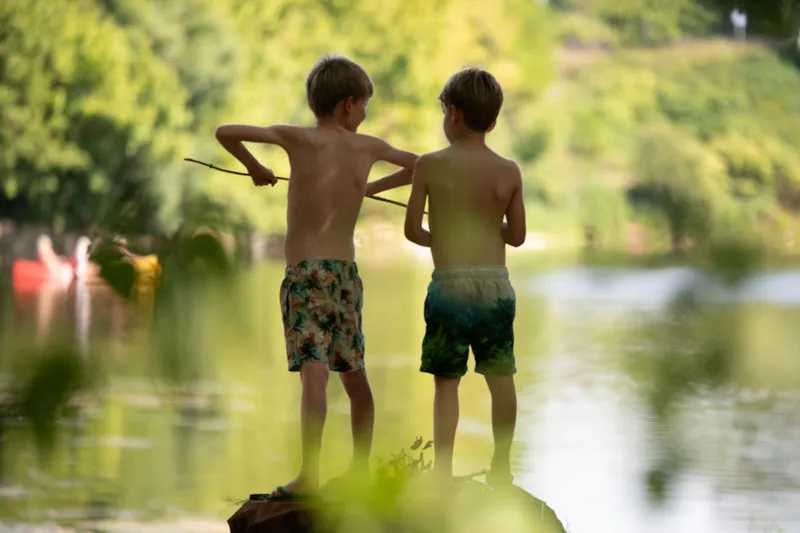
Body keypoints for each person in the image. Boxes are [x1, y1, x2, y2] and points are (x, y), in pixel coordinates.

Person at [215, 54, 418, 500]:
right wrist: (371, 188)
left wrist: (255, 166)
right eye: (364, 104)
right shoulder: (369, 148)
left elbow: (225, 133)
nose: (366, 114)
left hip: (306, 277)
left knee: (314, 378)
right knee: (357, 378)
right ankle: (359, 472)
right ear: (348, 104)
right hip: (345, 277)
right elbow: (424, 166)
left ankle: (309, 476)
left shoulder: (296, 138)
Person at [404, 67, 526, 486]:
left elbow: (412, 231)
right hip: (495, 286)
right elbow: (519, 236)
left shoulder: (429, 165)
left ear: (452, 114)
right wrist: (491, 227)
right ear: (492, 122)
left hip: (450, 286)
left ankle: (441, 473)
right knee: (501, 376)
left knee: (446, 383)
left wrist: (444, 235)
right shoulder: (509, 171)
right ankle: (504, 469)